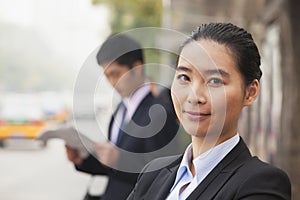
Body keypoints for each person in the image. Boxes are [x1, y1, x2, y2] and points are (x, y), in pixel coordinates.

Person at [127, 23, 291, 200]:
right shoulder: (153, 175)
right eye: (184, 77)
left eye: (215, 81)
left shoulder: (261, 184)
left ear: (250, 93)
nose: (194, 96)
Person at [65, 34, 179, 200]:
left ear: (137, 68)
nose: (112, 82)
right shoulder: (121, 108)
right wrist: (82, 160)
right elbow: (112, 166)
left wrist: (120, 160)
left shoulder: (160, 111)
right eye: (107, 76)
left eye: (116, 74)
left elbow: (162, 173)